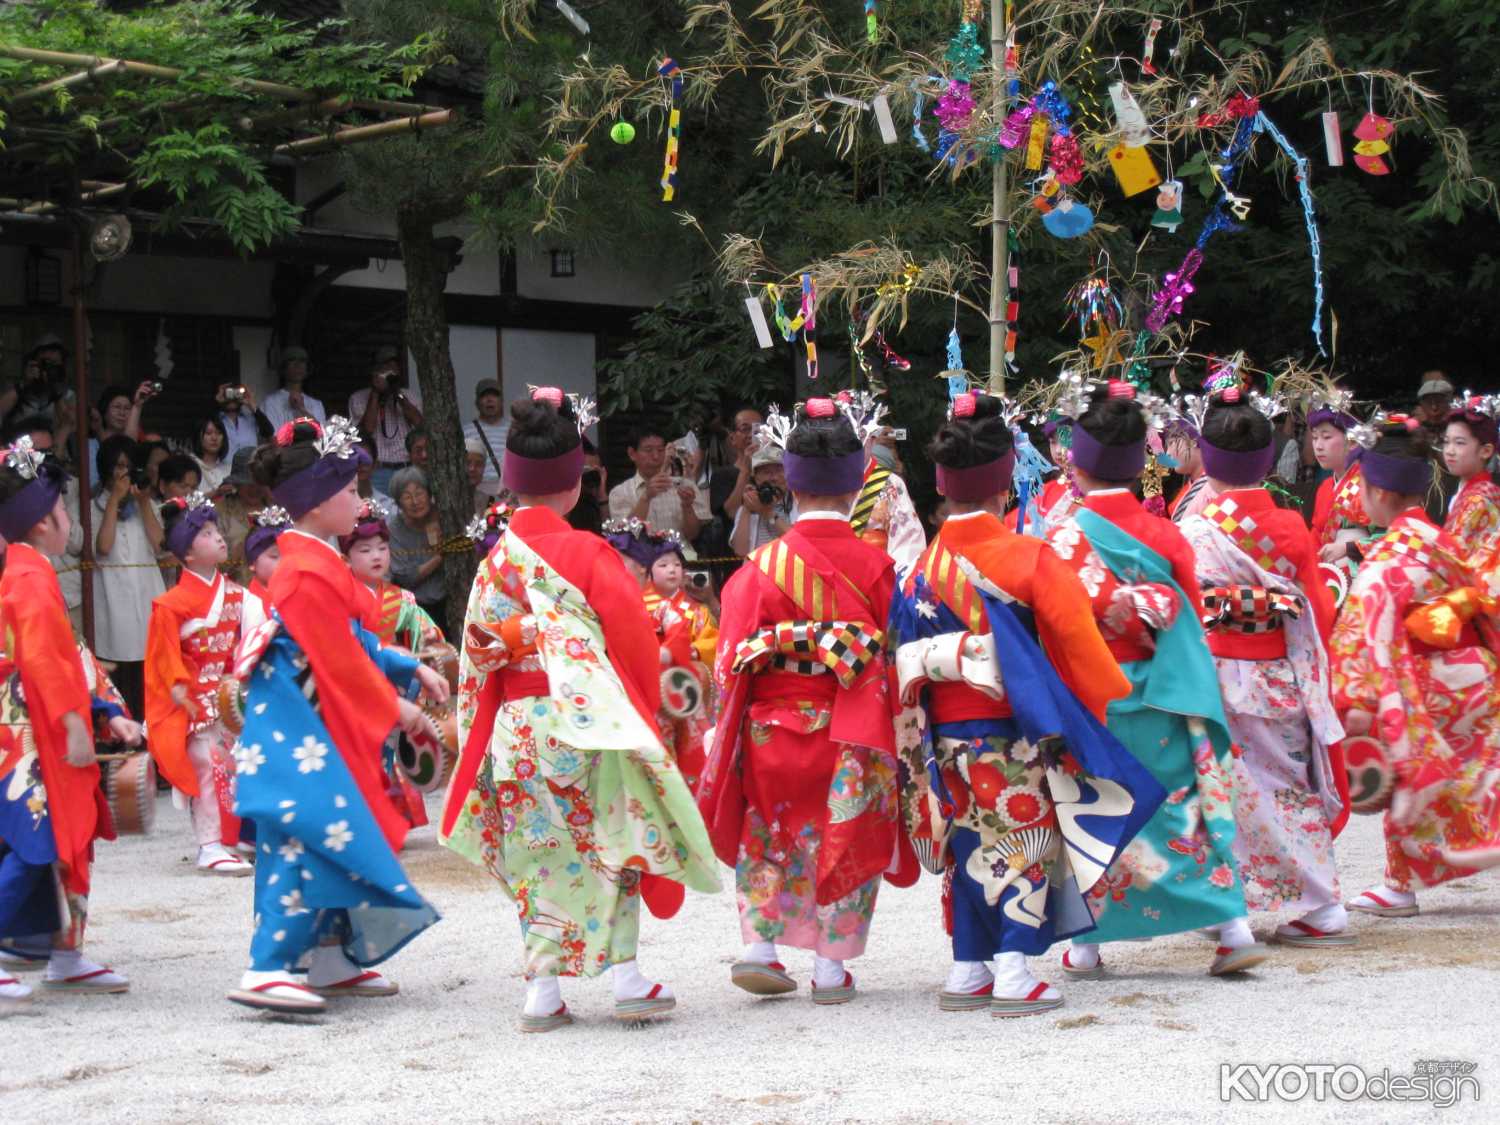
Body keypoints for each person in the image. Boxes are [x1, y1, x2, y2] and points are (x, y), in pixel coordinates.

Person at [441, 387, 717, 1032]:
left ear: (511, 482)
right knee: (612, 840)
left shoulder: (493, 562)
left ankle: (542, 989)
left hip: (516, 727)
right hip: (587, 721)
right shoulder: (588, 553)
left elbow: (477, 654)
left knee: (538, 851)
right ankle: (627, 979)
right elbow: (632, 647)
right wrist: (649, 716)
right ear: (576, 483)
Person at [886, 392, 1162, 1017]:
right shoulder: (1029, 557)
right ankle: (1012, 970)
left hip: (941, 736)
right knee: (1025, 840)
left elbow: (900, 658)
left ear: (942, 482)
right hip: (1013, 731)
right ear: (1007, 477)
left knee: (967, 845)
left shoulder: (916, 570)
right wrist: (1096, 708)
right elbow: (1080, 649)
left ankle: (967, 967)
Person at [698, 398, 915, 1008]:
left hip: (772, 729)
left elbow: (729, 665)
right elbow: (892, 657)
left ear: (790, 480)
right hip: (850, 729)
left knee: (769, 834)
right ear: (856, 482)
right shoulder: (878, 568)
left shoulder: (755, 571)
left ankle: (761, 949)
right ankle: (829, 966)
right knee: (842, 834)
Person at [228, 415, 447, 1014]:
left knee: (330, 834)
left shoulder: (312, 561)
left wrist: (406, 667)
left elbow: (353, 644)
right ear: (318, 501)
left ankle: (325, 956)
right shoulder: (301, 570)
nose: (360, 499)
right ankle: (268, 965)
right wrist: (397, 706)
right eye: (350, 491)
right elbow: (337, 657)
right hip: (298, 721)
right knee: (303, 836)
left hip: (312, 716)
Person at [1043, 383, 1260, 979]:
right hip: (1164, 693)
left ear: (1076, 463)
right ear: (1142, 462)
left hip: (1094, 699)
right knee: (1182, 808)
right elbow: (1190, 619)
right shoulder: (1169, 534)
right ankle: (1232, 928)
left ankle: (1086, 946)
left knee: (1092, 810)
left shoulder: (1062, 539)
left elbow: (1052, 630)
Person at [1178, 380, 1353, 948]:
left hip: (1218, 677)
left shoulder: (1198, 530)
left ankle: (1233, 906)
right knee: (1290, 791)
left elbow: (1183, 608)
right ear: (1263, 460)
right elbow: (1314, 607)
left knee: (1227, 794)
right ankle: (1321, 904)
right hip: (1282, 675)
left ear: (1207, 456)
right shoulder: (1290, 524)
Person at [1331, 420, 1500, 919]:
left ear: (1378, 492)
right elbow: (1482, 594)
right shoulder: (1436, 539)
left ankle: (1398, 884)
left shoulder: (1386, 560)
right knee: (1481, 771)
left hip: (1424, 681)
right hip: (1476, 675)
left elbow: (1362, 637)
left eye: (1360, 488)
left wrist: (1353, 701)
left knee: (1412, 772)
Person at [0, 438, 134, 1001]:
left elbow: (65, 661)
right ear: (40, 524)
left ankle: (65, 951)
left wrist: (103, 712)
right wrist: (77, 723)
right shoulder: (29, 579)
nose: (66, 522)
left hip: (44, 723)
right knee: (45, 841)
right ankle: (56, 949)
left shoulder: (29, 574)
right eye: (60, 512)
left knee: (63, 842)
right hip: (33, 735)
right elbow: (41, 660)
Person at [144, 494, 252, 875]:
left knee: (239, 763)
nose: (219, 538)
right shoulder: (171, 604)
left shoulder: (239, 594)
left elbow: (257, 634)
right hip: (195, 697)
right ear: (187, 555)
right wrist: (177, 689)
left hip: (231, 693)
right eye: (207, 534)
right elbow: (163, 656)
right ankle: (209, 844)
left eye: (216, 531)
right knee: (208, 765)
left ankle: (238, 836)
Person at [340, 498, 449, 830]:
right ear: (345, 557)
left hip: (393, 685)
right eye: (364, 550)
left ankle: (387, 821)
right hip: (354, 685)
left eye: (382, 548)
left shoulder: (403, 599)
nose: (376, 556)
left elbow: (424, 634)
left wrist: (432, 644)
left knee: (388, 757)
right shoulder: (342, 595)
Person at [603, 519, 715, 790]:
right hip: (622, 694)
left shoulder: (663, 608)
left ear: (641, 565)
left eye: (621, 559)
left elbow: (680, 634)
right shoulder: (607, 603)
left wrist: (664, 654)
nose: (612, 566)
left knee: (664, 767)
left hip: (660, 693)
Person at [89, 435, 166, 717]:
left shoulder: (146, 505)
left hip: (146, 593)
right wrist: (114, 501)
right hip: (112, 597)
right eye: (118, 466)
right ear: (106, 469)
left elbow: (160, 546)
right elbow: (104, 547)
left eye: (129, 467)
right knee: (119, 673)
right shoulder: (94, 506)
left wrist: (144, 502)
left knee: (150, 669)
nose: (123, 473)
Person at [838, 393, 926, 578]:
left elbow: (908, 544)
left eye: (862, 438)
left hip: (878, 580)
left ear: (872, 439)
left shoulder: (890, 483)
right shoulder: (821, 480)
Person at [608, 425, 709, 543]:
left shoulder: (685, 486)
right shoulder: (619, 493)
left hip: (681, 557)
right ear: (632, 454)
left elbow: (693, 535)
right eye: (648, 450)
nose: (656, 456)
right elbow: (625, 536)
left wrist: (687, 506)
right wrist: (646, 497)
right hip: (640, 559)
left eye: (660, 450)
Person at [349, 346, 424, 496]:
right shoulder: (358, 398)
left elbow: (420, 424)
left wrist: (396, 392)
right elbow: (366, 431)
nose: (390, 370)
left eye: (394, 366)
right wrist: (376, 392)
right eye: (385, 367)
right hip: (376, 470)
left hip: (406, 468)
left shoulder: (410, 397)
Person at [1441, 397, 1500, 571]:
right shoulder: (1471, 490)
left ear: (1486, 451)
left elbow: (1451, 559)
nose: (1449, 451)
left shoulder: (1478, 499)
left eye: (1459, 443)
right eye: (1446, 441)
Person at [387, 467, 446, 627]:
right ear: (398, 503)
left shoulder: (445, 517)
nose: (415, 502)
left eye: (419, 493)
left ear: (429, 494)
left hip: (449, 602)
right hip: (416, 609)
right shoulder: (395, 530)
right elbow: (404, 578)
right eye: (407, 497)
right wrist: (439, 558)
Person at [728, 444, 793, 555]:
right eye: (766, 472)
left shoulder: (799, 503)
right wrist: (746, 509)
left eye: (779, 471)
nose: (774, 478)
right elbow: (740, 551)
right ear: (756, 478)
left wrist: (768, 514)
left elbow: (798, 543)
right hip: (757, 569)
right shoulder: (751, 503)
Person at [240, 504, 290, 633]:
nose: (285, 561)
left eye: (289, 553)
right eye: (274, 556)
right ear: (252, 563)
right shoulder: (251, 604)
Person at [259, 346, 326, 430]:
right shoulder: (270, 403)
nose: (298, 365)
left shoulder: (317, 404)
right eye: (292, 360)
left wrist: (301, 409)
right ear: (284, 368)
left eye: (302, 361)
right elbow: (273, 438)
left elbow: (323, 435)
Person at [1166, 416, 1213, 522]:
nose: (1168, 453)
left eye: (1172, 443)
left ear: (1194, 441)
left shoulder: (1216, 488)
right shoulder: (1192, 485)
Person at [468, 379, 509, 500]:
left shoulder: (514, 429)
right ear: (477, 403)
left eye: (494, 395)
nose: (489, 400)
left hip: (508, 493)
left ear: (501, 401)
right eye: (484, 396)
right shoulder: (466, 431)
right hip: (478, 492)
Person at [215, 381, 271, 461]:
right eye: (228, 393)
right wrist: (217, 403)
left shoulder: (251, 419)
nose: (232, 397)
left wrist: (252, 405)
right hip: (224, 470)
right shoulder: (216, 420)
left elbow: (269, 432)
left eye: (235, 393)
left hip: (250, 470)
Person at [565, 436, 607, 533]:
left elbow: (607, 532)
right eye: (585, 470)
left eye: (594, 471)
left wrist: (602, 495)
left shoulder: (595, 502)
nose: (589, 475)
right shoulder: (566, 500)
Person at [191, 415, 233, 494]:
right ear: (198, 437)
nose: (214, 438)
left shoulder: (229, 469)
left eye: (219, 433)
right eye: (208, 433)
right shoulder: (189, 466)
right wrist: (216, 493)